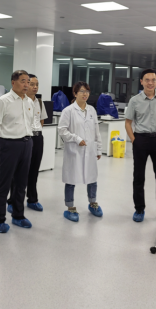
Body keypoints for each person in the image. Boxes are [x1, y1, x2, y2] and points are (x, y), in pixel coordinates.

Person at [125, 68, 156, 225]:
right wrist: (134, 140)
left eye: (153, 80)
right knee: (139, 176)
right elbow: (128, 123)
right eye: (147, 80)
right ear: (141, 82)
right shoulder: (134, 101)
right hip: (141, 140)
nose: (150, 83)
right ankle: (139, 209)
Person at [0, 70, 34, 233]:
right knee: (5, 183)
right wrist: (3, 142)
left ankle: (18, 215)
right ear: (13, 82)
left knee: (21, 183)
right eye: (23, 81)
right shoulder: (3, 101)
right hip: (9, 144)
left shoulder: (29, 101)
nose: (26, 85)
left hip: (27, 143)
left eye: (28, 81)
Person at [58, 81, 103, 222]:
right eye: (82, 91)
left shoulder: (92, 110)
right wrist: (76, 139)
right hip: (74, 151)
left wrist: (99, 148)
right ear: (75, 93)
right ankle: (70, 207)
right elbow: (62, 130)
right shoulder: (68, 111)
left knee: (92, 178)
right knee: (71, 179)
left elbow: (96, 131)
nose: (85, 94)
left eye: (87, 91)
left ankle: (93, 203)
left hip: (90, 150)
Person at [7, 73, 48, 212]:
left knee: (34, 170)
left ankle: (32, 199)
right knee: (18, 172)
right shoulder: (19, 101)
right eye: (31, 84)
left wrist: (36, 133)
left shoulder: (39, 102)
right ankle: (13, 201)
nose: (35, 87)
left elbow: (41, 121)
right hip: (24, 138)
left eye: (37, 84)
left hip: (37, 138)